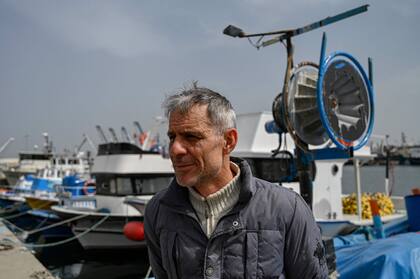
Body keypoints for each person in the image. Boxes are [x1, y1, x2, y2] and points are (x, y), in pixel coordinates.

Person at [144, 84, 328, 279]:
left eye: (191, 137)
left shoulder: (287, 209)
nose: (175, 150)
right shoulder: (158, 211)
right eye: (172, 137)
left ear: (229, 141)